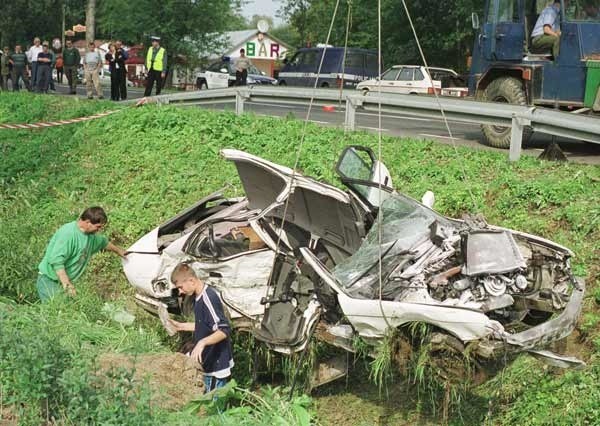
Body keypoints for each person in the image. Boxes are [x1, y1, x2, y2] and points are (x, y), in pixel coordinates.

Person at [37, 207, 128, 302]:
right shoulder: (68, 234)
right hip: (50, 281)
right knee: (57, 312)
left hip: (63, 282)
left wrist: (119, 251)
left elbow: (103, 243)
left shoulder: (90, 236)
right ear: (88, 222)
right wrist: (67, 284)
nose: (99, 230)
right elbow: (56, 261)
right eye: (98, 227)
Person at [168, 263, 234, 394]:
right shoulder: (197, 297)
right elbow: (206, 325)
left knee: (213, 406)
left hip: (217, 364)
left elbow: (224, 330)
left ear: (191, 281)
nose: (180, 291)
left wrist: (202, 342)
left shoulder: (208, 298)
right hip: (208, 359)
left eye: (180, 287)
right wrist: (182, 326)